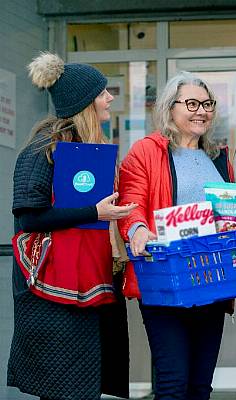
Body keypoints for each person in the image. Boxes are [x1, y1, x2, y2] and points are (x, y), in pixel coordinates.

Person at [8, 52, 136, 400]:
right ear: (83, 101)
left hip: (92, 286)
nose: (109, 97)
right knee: (63, 389)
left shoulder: (90, 148)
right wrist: (93, 212)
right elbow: (29, 217)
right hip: (52, 293)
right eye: (102, 92)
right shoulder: (43, 148)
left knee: (88, 387)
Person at [117, 71, 235, 400]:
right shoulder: (146, 151)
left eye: (208, 104)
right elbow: (131, 201)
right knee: (173, 381)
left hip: (212, 280)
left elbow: (230, 213)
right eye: (193, 104)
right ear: (170, 108)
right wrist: (137, 229)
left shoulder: (219, 157)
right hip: (164, 277)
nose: (202, 111)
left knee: (200, 384)